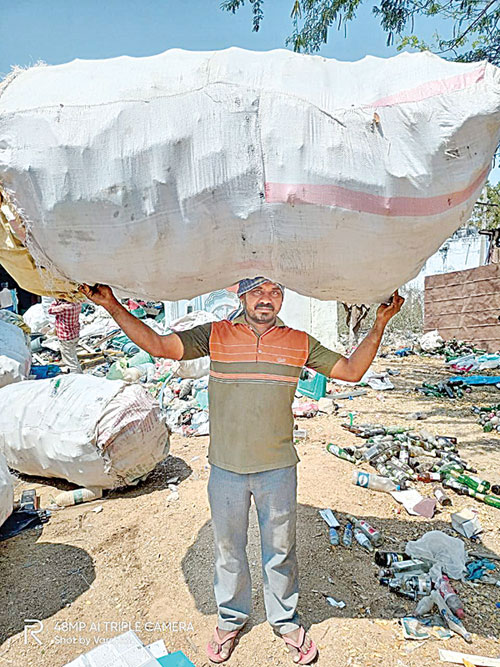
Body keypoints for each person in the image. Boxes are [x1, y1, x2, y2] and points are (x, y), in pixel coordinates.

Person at [80, 278, 403, 664]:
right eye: (258, 291)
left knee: (280, 551)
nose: (266, 299)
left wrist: (380, 323)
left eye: (275, 292)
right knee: (228, 550)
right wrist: (113, 305)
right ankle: (231, 619)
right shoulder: (215, 335)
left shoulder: (299, 342)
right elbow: (160, 346)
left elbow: (350, 372)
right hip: (227, 469)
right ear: (242, 295)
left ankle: (285, 621)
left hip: (278, 468)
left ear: (282, 298)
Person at [48, 299, 83, 373]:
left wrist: (56, 301)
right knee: (73, 357)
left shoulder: (64, 307)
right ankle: (79, 373)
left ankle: (76, 376)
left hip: (65, 336)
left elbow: (50, 310)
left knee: (70, 361)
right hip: (74, 334)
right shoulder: (78, 303)